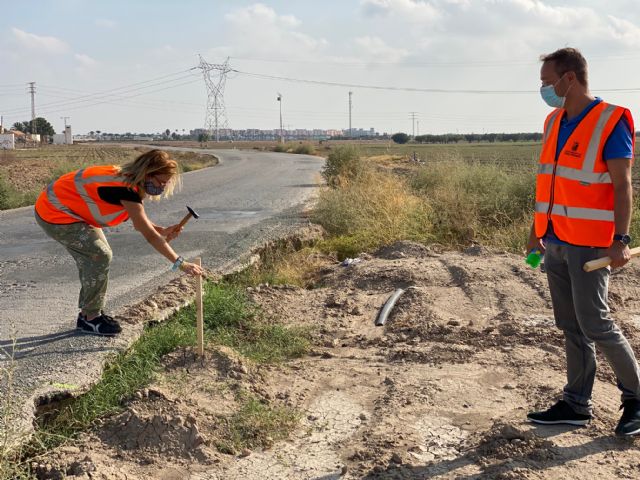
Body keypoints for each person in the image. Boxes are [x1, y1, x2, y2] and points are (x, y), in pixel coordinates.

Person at [526, 47, 640, 436]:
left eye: (547, 82)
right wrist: (535, 234)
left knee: (597, 324)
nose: (544, 88)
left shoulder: (611, 121)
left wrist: (620, 239)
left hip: (591, 244)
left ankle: (637, 400)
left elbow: (623, 185)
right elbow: (549, 183)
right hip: (555, 240)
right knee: (570, 325)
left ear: (569, 78)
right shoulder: (553, 121)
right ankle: (576, 404)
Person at [34, 149, 203, 336]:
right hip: (54, 212)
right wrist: (180, 263)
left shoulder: (130, 179)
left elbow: (141, 222)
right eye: (160, 182)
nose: (163, 187)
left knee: (98, 255)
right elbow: (149, 235)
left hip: (67, 209)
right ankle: (90, 319)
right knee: (98, 255)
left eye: (166, 183)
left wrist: (161, 230)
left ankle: (90, 312)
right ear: (147, 173)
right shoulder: (125, 188)